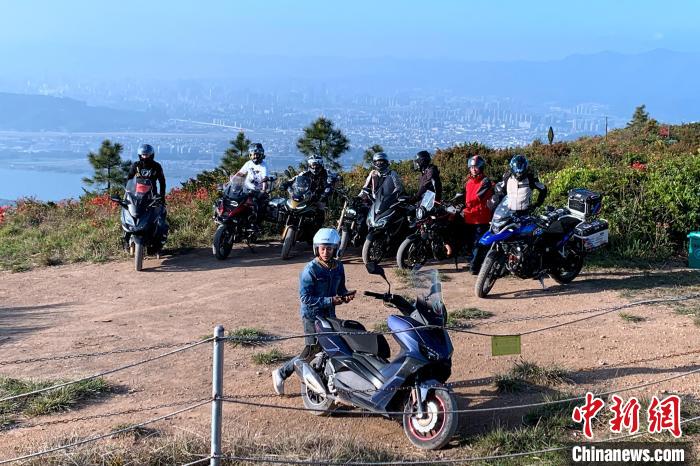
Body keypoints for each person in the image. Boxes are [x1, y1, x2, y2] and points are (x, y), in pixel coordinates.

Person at [272, 228, 356, 395]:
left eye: (329, 248)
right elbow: (305, 298)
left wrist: (345, 296)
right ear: (316, 248)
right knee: (311, 350)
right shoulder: (310, 270)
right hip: (311, 316)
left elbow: (340, 288)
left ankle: (326, 380)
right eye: (322, 248)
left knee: (331, 347)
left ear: (335, 249)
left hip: (329, 314)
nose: (325, 252)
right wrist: (330, 300)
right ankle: (281, 373)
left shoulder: (338, 267)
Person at [463, 155, 493, 274]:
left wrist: (467, 204)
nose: (474, 169)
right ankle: (473, 262)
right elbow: (465, 196)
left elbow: (478, 197)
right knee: (471, 242)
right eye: (472, 167)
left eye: (476, 167)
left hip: (481, 217)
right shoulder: (469, 182)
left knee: (479, 243)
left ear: (481, 167)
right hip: (470, 216)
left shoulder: (485, 181)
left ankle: (474, 267)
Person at [231, 143, 270, 224]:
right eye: (252, 155)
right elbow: (240, 173)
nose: (254, 157)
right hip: (246, 188)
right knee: (236, 201)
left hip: (257, 191)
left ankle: (254, 224)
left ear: (261, 154)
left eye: (256, 155)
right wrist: (230, 182)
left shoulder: (264, 166)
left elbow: (264, 179)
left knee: (255, 207)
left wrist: (263, 190)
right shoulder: (248, 163)